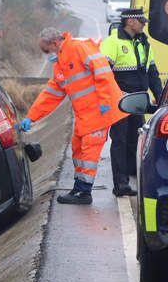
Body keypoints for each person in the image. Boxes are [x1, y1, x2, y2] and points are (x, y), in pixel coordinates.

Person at [18, 27, 127, 205]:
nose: (46, 55)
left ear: (55, 43)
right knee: (78, 147)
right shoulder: (61, 62)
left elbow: (103, 74)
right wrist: (31, 117)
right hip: (86, 113)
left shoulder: (79, 48)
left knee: (89, 150)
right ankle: (79, 187)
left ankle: (84, 192)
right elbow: (51, 94)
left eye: (46, 50)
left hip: (100, 110)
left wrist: (105, 102)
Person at [100, 9, 163, 196]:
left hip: (137, 101)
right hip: (120, 100)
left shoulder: (143, 42)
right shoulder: (113, 42)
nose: (144, 24)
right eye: (141, 21)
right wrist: (109, 98)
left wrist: (160, 97)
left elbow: (152, 72)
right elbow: (103, 75)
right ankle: (120, 184)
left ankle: (131, 172)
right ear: (130, 22)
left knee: (135, 139)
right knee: (119, 140)